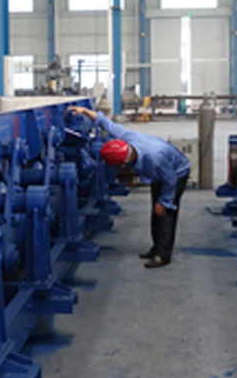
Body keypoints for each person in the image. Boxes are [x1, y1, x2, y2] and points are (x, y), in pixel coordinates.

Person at [68, 106, 190, 268]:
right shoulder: (126, 137)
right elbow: (107, 123)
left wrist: (165, 201)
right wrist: (84, 111)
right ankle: (156, 248)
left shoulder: (154, 158)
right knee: (156, 211)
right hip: (160, 173)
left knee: (165, 212)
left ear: (125, 161)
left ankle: (163, 256)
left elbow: (170, 179)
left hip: (177, 172)